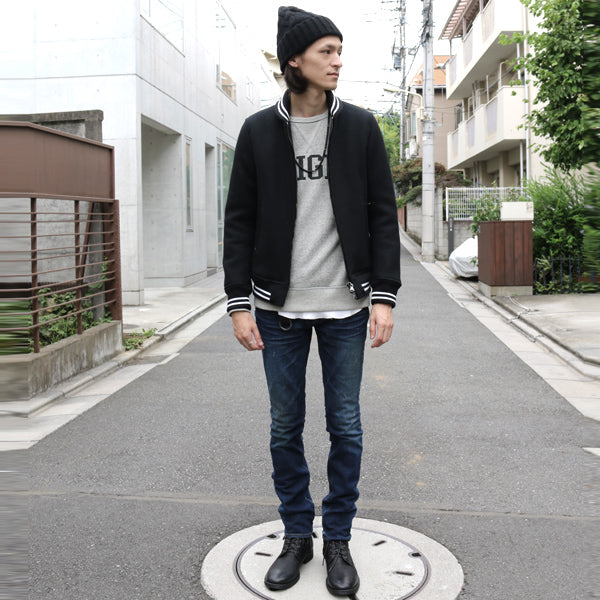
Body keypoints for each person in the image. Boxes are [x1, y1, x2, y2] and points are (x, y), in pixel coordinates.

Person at [223, 6, 401, 596]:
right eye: (327, 51)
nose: (338, 61)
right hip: (278, 311)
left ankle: (339, 539)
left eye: (339, 50)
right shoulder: (257, 131)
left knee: (346, 426)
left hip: (346, 306)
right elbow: (239, 221)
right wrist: (238, 303)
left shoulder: (360, 127)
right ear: (294, 60)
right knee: (285, 427)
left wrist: (384, 297)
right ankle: (297, 534)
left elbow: (382, 215)